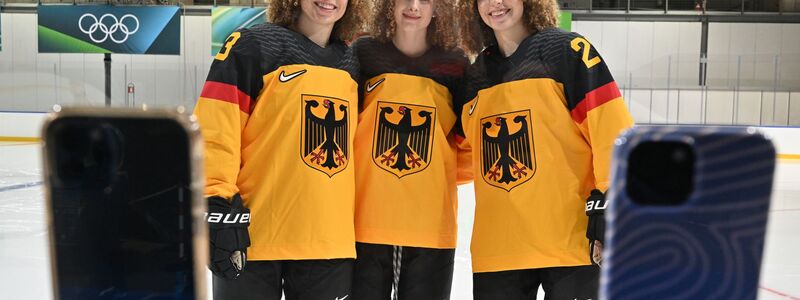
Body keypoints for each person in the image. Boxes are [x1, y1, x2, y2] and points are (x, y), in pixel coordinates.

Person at [459, 0, 634, 298]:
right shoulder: (474, 78)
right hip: (499, 250)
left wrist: (610, 202)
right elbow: (458, 157)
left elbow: (612, 130)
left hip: (571, 244)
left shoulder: (566, 51)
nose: (495, 3)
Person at [193, 1, 367, 299]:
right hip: (254, 236)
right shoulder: (253, 45)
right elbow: (215, 129)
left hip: (328, 241)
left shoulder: (353, 64)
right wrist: (215, 202)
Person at [350, 0, 473, 299]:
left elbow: (468, 141)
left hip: (429, 226)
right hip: (365, 223)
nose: (414, 6)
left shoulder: (456, 62)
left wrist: (434, 176)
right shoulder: (362, 53)